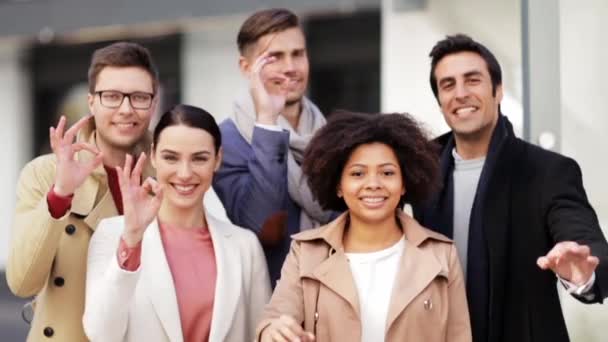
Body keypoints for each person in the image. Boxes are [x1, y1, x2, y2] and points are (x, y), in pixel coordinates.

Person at [412, 34, 608, 342]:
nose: (461, 93)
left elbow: (584, 240)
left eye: (472, 80)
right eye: (448, 85)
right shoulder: (419, 166)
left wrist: (583, 274)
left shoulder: (547, 170)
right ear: (440, 101)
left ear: (498, 91)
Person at [256, 111, 471, 342]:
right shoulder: (306, 252)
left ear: (404, 183)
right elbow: (275, 317)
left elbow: (459, 336)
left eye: (387, 173)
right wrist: (272, 331)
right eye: (358, 173)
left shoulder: (441, 255)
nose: (373, 184)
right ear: (338, 185)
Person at [7, 41, 158, 341]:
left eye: (139, 97)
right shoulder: (46, 173)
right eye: (112, 97)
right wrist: (60, 194)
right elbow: (22, 283)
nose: (126, 109)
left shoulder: (168, 174)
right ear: (92, 102)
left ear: (153, 104)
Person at [83, 104, 271, 342]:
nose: (184, 173)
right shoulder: (112, 234)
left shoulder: (245, 246)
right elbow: (100, 334)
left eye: (199, 159)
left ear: (218, 159)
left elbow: (260, 333)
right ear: (153, 156)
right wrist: (131, 240)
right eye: (171, 157)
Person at [213, 8, 335, 285]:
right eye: (275, 57)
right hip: (272, 303)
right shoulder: (226, 142)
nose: (291, 67)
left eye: (298, 54)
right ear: (247, 67)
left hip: (336, 296)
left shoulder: (334, 136)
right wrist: (267, 122)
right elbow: (260, 223)